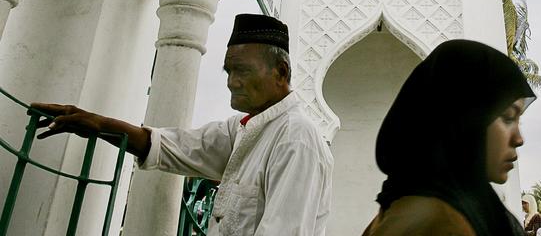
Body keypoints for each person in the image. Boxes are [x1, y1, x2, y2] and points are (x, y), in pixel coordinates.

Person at [33, 13, 333, 236]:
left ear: (280, 73)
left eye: (241, 70)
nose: (232, 82)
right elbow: (174, 146)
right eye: (228, 71)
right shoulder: (244, 129)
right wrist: (99, 124)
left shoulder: (295, 138)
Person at [360, 39, 536, 236]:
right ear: (463, 118)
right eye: (508, 117)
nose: (519, 139)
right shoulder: (439, 224)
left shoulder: (417, 209)